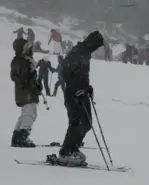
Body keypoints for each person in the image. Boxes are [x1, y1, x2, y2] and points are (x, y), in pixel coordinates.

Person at [57, 31, 105, 166]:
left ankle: (73, 148)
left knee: (87, 123)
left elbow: (82, 74)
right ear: (91, 43)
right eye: (96, 46)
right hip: (73, 93)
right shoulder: (77, 52)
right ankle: (66, 152)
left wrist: (87, 87)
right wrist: (74, 86)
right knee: (76, 123)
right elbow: (65, 70)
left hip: (82, 92)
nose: (96, 49)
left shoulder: (85, 53)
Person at [10, 38, 42, 147]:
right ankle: (22, 138)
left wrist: (37, 84)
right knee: (30, 113)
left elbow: (24, 77)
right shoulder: (23, 61)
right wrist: (32, 76)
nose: (31, 50)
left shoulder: (22, 60)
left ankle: (17, 137)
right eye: (28, 48)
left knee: (25, 114)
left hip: (25, 92)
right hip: (26, 92)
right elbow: (23, 77)